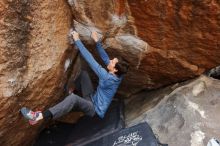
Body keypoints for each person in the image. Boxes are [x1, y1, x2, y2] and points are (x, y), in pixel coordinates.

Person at [20, 31, 129, 125]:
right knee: (84, 75)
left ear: (114, 70)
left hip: (94, 109)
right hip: (91, 97)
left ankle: (38, 117)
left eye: (112, 62)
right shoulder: (119, 73)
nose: (109, 61)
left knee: (73, 99)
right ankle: (73, 93)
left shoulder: (107, 78)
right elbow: (105, 59)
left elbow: (90, 59)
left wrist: (77, 40)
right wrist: (97, 41)